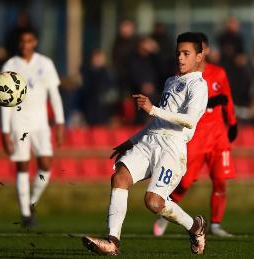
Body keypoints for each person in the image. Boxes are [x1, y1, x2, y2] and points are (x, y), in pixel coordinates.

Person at [82, 32, 208, 256]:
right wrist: (131, 141)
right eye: (178, 53)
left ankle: (195, 226)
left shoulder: (198, 86)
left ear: (199, 56)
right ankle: (112, 242)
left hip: (172, 147)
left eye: (187, 53)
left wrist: (152, 109)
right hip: (150, 141)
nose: (180, 57)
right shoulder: (171, 80)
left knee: (153, 203)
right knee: (119, 176)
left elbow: (190, 121)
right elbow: (157, 120)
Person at [153, 33, 238, 238]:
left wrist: (232, 122)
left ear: (203, 51)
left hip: (218, 137)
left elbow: (227, 99)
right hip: (197, 137)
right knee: (185, 182)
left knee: (220, 181)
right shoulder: (186, 77)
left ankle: (216, 224)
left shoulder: (219, 73)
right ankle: (166, 213)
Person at [0, 28, 64, 228]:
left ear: (34, 42)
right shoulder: (10, 65)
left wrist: (60, 122)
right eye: (22, 41)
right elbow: (4, 100)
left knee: (45, 164)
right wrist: (4, 131)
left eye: (29, 40)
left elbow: (54, 95)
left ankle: (31, 199)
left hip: (41, 123)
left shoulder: (45, 63)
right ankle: (26, 215)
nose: (25, 44)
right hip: (18, 122)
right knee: (23, 166)